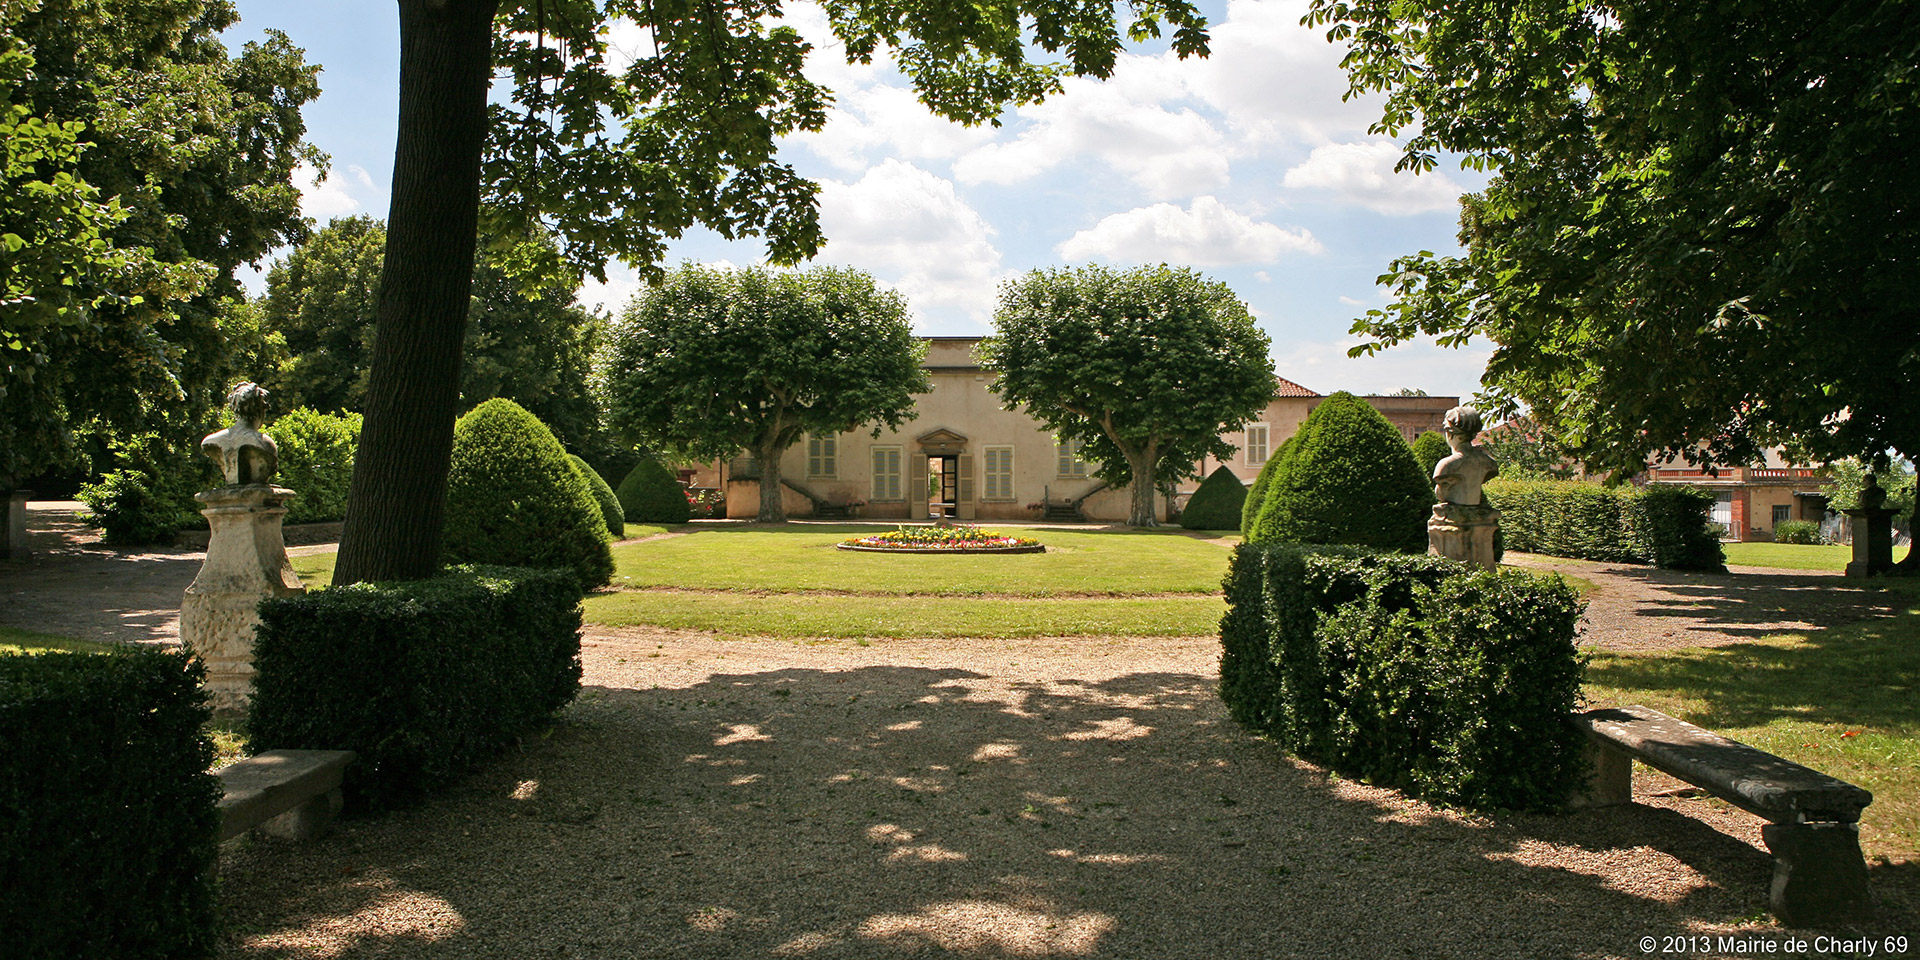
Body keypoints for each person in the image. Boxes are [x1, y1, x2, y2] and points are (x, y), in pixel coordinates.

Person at [1432, 406, 1498, 508]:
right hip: (1479, 519)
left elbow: (1441, 494)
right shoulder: (1489, 463)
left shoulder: (1446, 465)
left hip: (1454, 520)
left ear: (1450, 433)